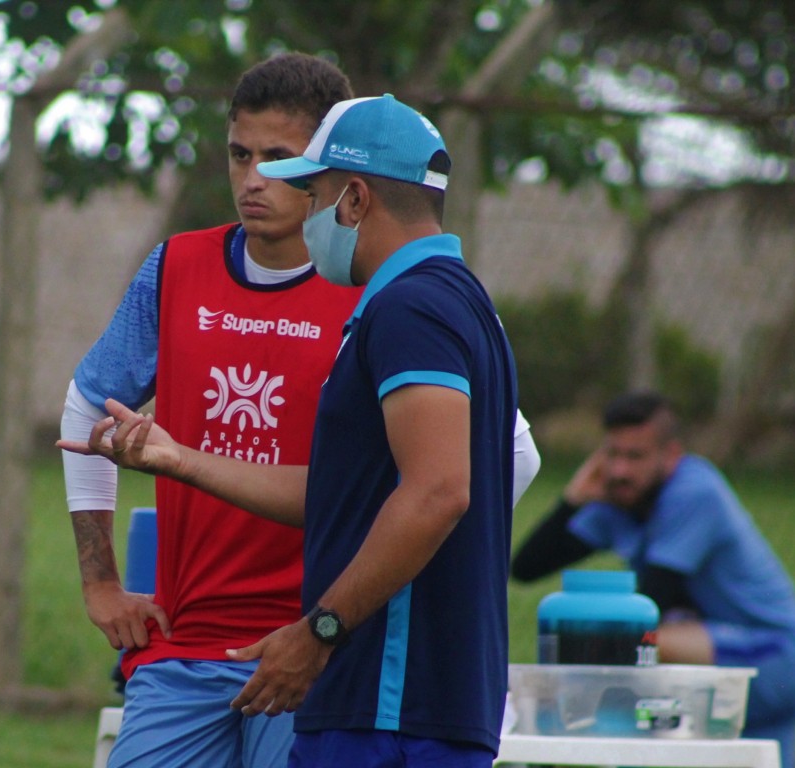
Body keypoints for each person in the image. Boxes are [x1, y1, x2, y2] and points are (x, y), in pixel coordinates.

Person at [62, 93, 520, 768]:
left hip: (368, 682)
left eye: (306, 183)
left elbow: (442, 492)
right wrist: (181, 462)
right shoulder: (448, 296)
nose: (262, 183)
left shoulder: (406, 307)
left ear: (354, 198)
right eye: (242, 156)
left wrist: (333, 618)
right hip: (300, 665)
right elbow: (350, 493)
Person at [511, 390, 795, 768]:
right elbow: (526, 568)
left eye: (635, 456)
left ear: (671, 455)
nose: (620, 471)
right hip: (717, 649)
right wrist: (573, 499)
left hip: (776, 653)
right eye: (613, 455)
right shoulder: (622, 500)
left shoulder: (695, 492)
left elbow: (649, 605)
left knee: (621, 646)